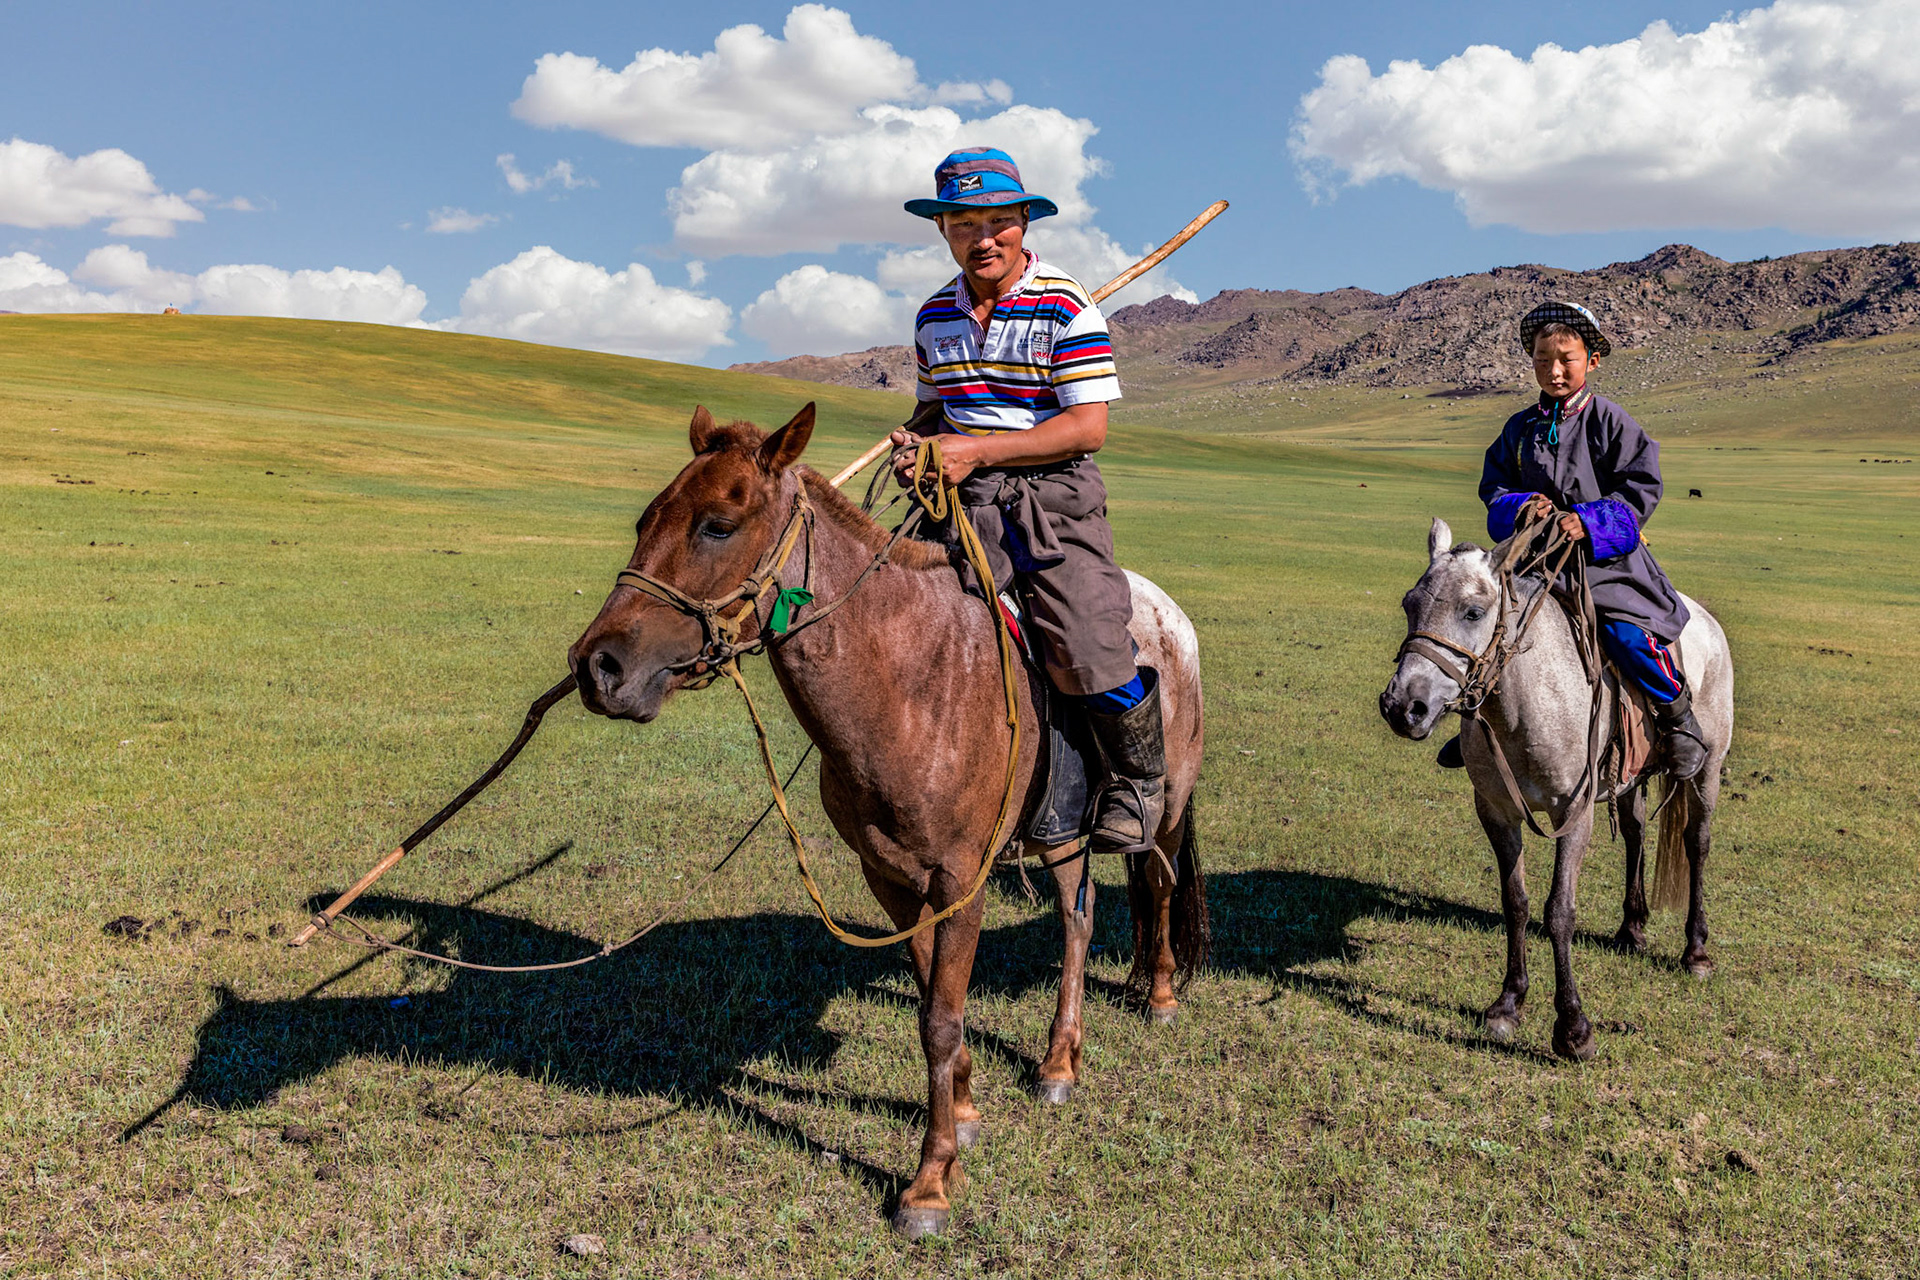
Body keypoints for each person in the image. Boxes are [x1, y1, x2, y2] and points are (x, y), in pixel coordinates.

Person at [888, 146, 1163, 854]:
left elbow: (1086, 427)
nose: (984, 239)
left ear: (1022, 223)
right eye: (964, 225)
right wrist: (915, 444)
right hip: (962, 505)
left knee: (1087, 640)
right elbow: (935, 412)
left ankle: (1138, 780)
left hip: (1052, 505)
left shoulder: (1066, 305)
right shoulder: (931, 320)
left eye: (999, 223)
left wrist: (975, 448)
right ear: (943, 230)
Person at [1437, 300, 1707, 778]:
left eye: (1566, 359)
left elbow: (1641, 487)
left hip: (1604, 566)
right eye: (1543, 360)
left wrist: (1588, 520)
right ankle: (1476, 729)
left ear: (1592, 361)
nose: (1554, 370)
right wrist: (1520, 507)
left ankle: (1678, 720)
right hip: (1532, 562)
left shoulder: (1611, 422)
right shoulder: (1520, 428)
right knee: (1487, 630)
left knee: (1628, 637)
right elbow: (1493, 487)